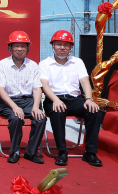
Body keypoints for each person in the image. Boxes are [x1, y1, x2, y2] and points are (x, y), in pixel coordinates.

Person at [39, 30, 104, 167]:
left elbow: (85, 82)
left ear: (70, 47)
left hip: (75, 99)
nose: (62, 47)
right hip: (54, 98)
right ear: (53, 45)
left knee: (94, 112)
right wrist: (56, 100)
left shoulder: (77, 62)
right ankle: (62, 151)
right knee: (58, 111)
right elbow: (44, 85)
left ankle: (90, 152)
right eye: (59, 44)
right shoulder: (44, 63)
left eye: (66, 45)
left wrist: (89, 99)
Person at [0, 31, 47, 164]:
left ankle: (31, 152)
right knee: (16, 118)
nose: (19, 49)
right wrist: (14, 107)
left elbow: (37, 88)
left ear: (27, 49)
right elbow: (1, 90)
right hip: (7, 101)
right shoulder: (2, 64)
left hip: (28, 101)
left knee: (40, 118)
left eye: (23, 46)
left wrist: (36, 107)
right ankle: (15, 151)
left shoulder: (33, 65)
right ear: (10, 48)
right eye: (16, 46)